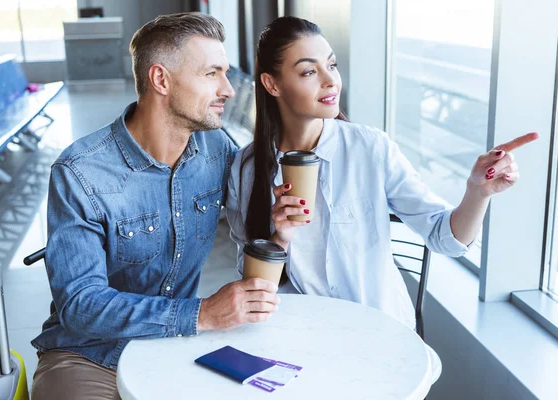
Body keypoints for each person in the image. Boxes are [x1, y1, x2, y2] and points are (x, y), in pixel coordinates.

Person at [226, 16, 538, 329]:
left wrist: (477, 190)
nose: (330, 80)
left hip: (381, 335)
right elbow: (253, 291)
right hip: (302, 336)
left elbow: (446, 239)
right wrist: (280, 238)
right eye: (309, 71)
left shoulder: (370, 149)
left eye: (331, 65)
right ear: (272, 84)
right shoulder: (246, 168)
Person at [31, 13, 280, 400]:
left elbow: (257, 221)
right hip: (88, 356)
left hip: (175, 348)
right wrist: (199, 314)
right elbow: (79, 304)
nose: (228, 89)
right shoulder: (81, 172)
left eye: (226, 73)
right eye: (211, 73)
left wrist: (281, 225)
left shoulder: (217, 152)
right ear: (161, 80)